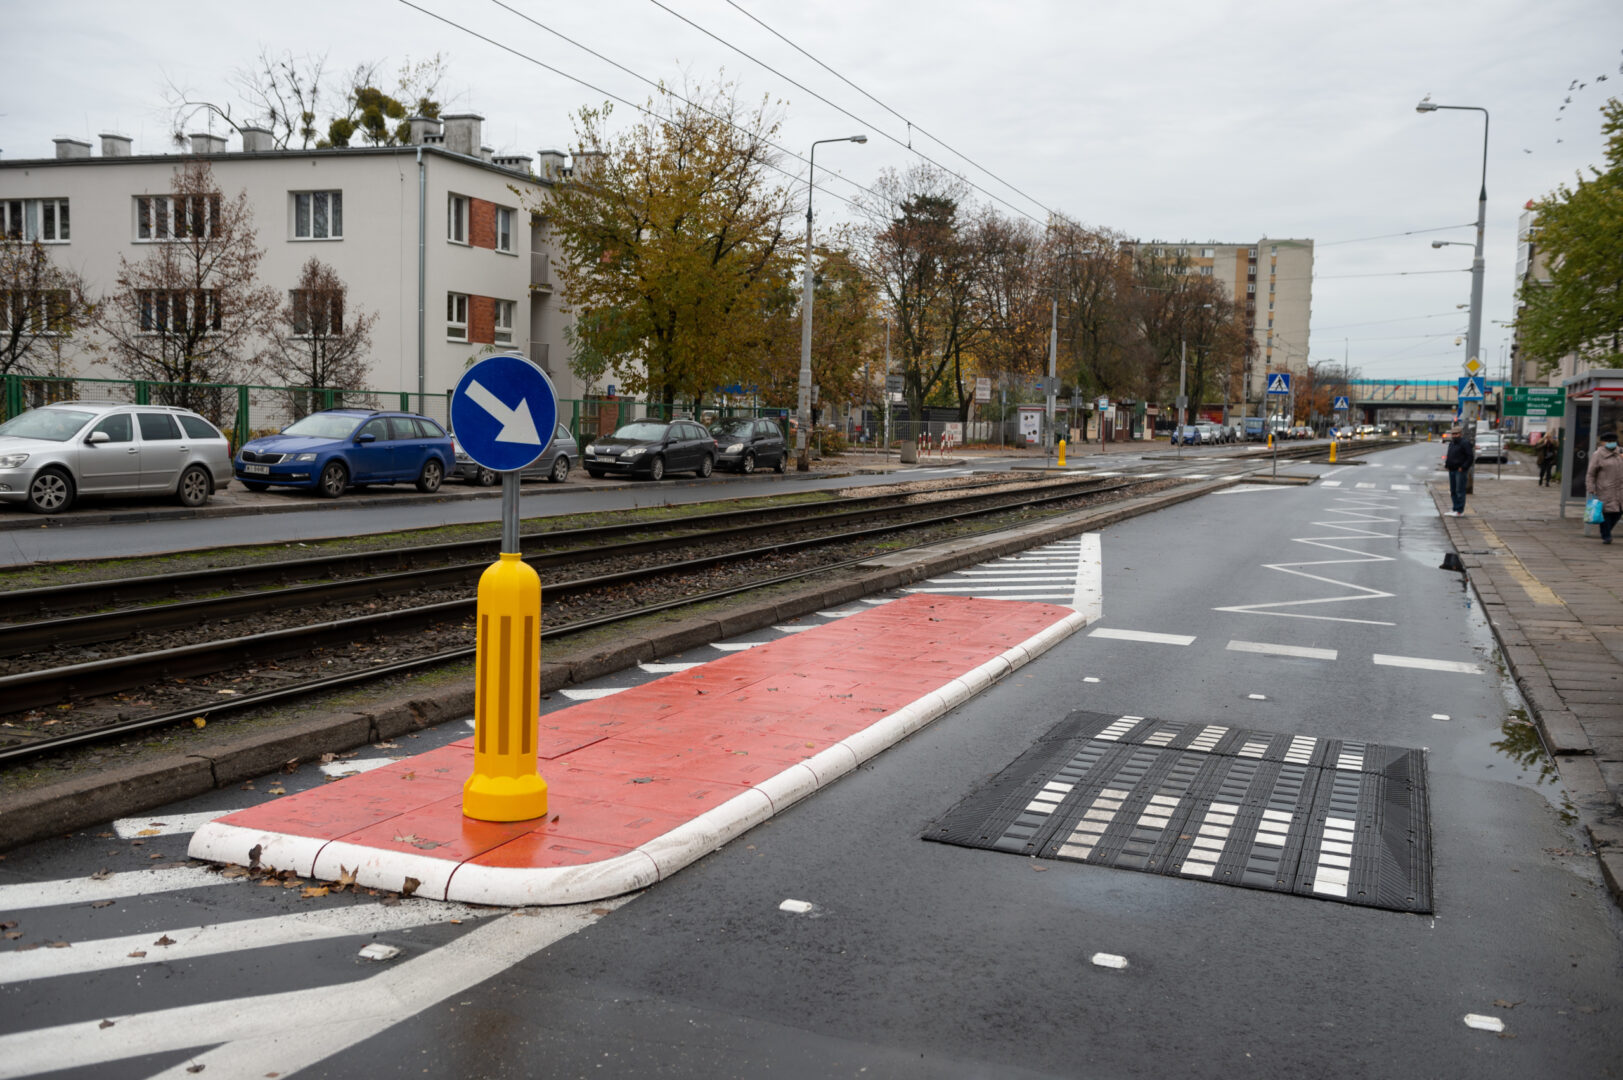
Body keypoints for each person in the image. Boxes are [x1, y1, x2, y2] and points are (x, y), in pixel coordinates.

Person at [1585, 430, 1623, 544]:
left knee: (1618, 512)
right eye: (1608, 441)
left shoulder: (1620, 453)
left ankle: (1606, 531)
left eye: (1613, 441)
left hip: (1620, 489)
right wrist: (1591, 487)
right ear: (1603, 442)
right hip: (1605, 488)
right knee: (1606, 512)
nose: (1611, 443)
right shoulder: (1598, 455)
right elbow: (1591, 473)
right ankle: (1606, 536)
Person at [1444, 425, 1471, 516]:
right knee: (1453, 490)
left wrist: (1463, 467)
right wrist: (1447, 464)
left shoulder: (1465, 443)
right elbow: (1449, 454)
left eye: (1456, 434)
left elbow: (1470, 457)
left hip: (1460, 470)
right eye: (1453, 434)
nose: (1454, 435)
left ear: (1460, 434)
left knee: (1460, 490)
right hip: (1452, 469)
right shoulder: (1452, 443)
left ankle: (1460, 511)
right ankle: (1455, 508)